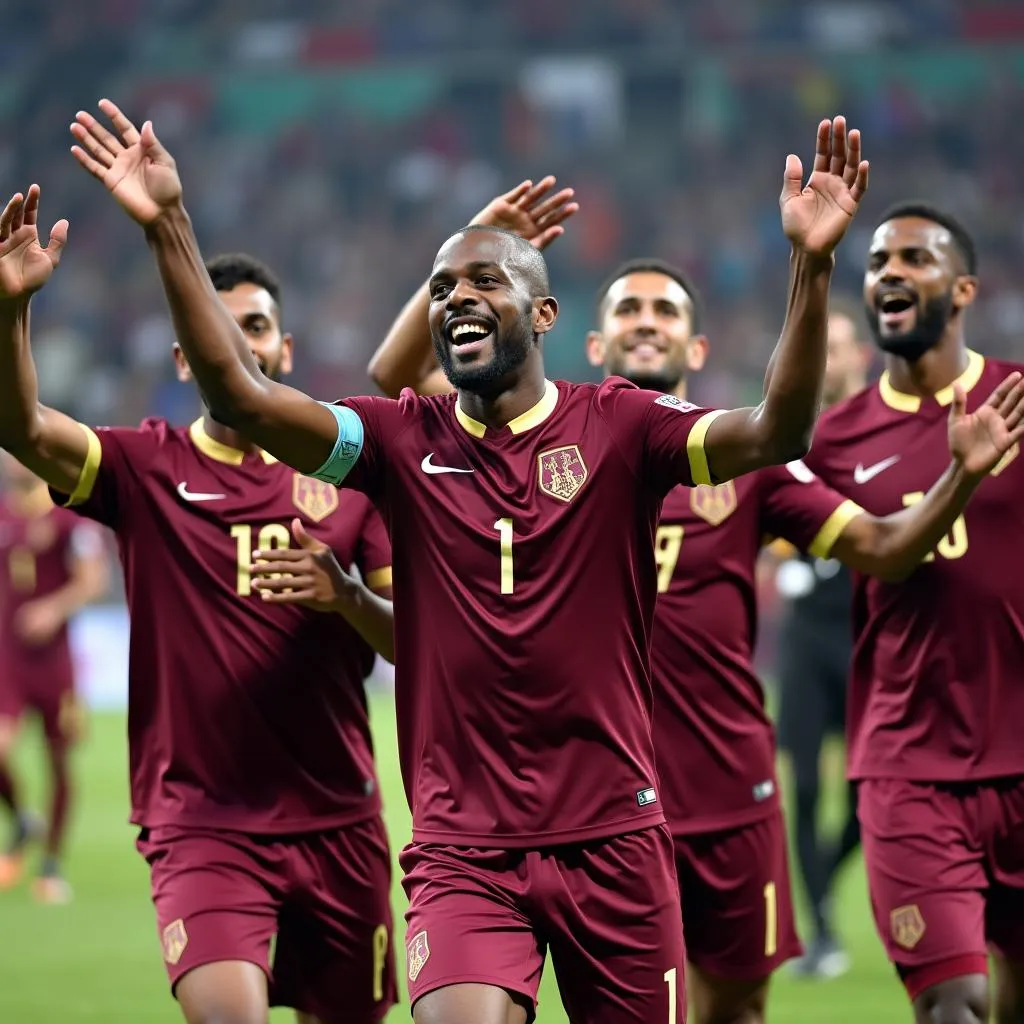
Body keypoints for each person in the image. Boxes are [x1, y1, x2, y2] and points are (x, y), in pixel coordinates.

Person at [71, 100, 868, 1024]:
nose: (456, 300)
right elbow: (246, 403)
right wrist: (169, 224)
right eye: (443, 288)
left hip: (615, 833)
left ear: (544, 312)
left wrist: (811, 265)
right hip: (463, 850)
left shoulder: (620, 426)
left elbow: (777, 429)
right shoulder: (397, 442)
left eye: (482, 282)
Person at [366, 198, 1024, 1024]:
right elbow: (395, 389)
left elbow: (874, 536)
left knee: (733, 1011)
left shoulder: (735, 463)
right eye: (628, 310)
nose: (648, 324)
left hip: (724, 791)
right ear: (590, 345)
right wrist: (478, 255)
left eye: (666, 310)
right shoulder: (536, 437)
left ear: (697, 346)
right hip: (591, 802)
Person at [0, 184, 397, 1024]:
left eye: (253, 327)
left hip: (340, 821)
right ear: (185, 353)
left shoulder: (353, 479)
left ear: (284, 349)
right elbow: (25, 429)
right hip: (203, 827)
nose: (234, 344)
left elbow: (420, 644)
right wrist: (9, 318)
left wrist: (348, 596)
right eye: (213, 328)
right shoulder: (145, 468)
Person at [802, 202, 1024, 1024]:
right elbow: (877, 553)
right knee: (952, 1005)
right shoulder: (837, 441)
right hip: (910, 764)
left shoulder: (1018, 399)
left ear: (962, 289)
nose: (889, 272)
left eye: (913, 260)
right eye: (878, 262)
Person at [774, 303, 871, 979]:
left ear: (861, 356)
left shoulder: (887, 432)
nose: (829, 360)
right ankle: (823, 929)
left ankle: (828, 881)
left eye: (838, 348)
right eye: (822, 348)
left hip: (869, 634)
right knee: (804, 786)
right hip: (807, 638)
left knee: (871, 796)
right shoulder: (787, 437)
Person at [0, 454, 108, 903]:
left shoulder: (69, 518)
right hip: (7, 658)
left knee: (58, 758)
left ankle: (50, 862)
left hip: (55, 662)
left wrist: (52, 609)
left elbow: (93, 581)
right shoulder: (3, 513)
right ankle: (23, 819)